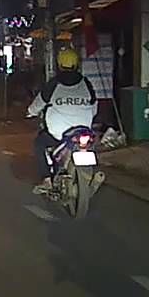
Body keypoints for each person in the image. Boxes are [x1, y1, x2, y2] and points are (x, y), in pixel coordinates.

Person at [26, 48, 97, 194]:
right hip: (83, 131)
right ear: (76, 64)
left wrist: (30, 112)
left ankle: (47, 180)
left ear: (59, 65)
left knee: (39, 144)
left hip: (59, 134)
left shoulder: (53, 85)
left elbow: (38, 104)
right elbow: (94, 106)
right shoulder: (86, 83)